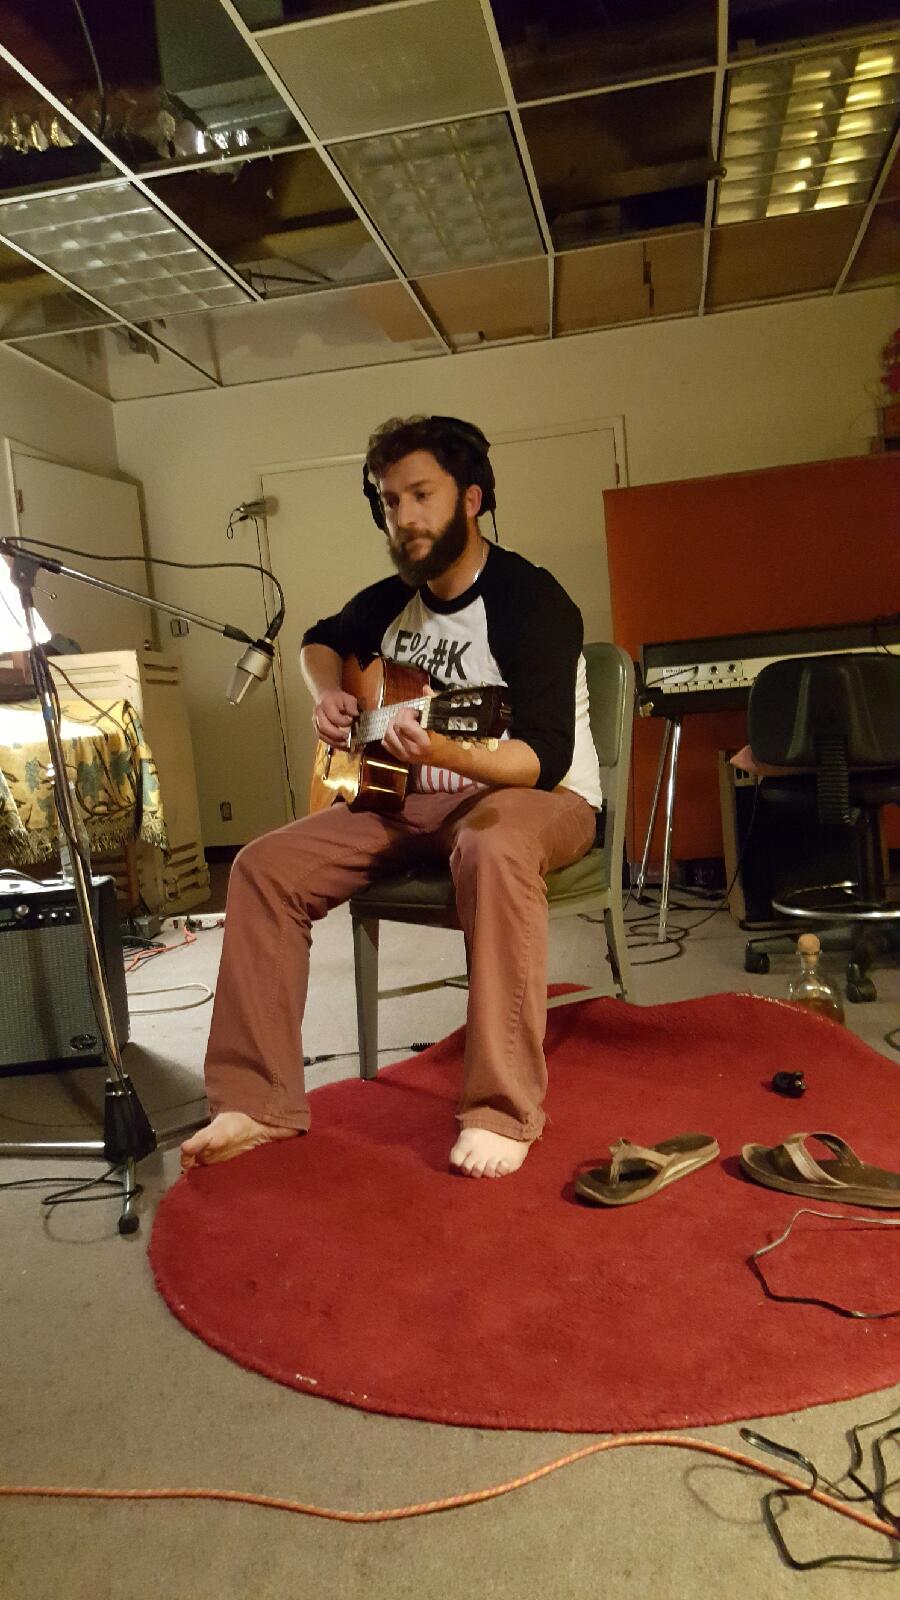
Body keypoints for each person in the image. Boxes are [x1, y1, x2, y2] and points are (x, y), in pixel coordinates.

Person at [181, 415, 602, 1180]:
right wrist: (330, 695)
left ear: (471, 498)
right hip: (407, 798)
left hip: (537, 796)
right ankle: (256, 1102)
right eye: (388, 500)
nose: (403, 516)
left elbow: (543, 759)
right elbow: (319, 639)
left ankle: (502, 1109)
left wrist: (444, 750)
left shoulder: (531, 601)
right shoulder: (389, 601)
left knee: (494, 844)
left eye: (421, 495)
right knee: (263, 867)